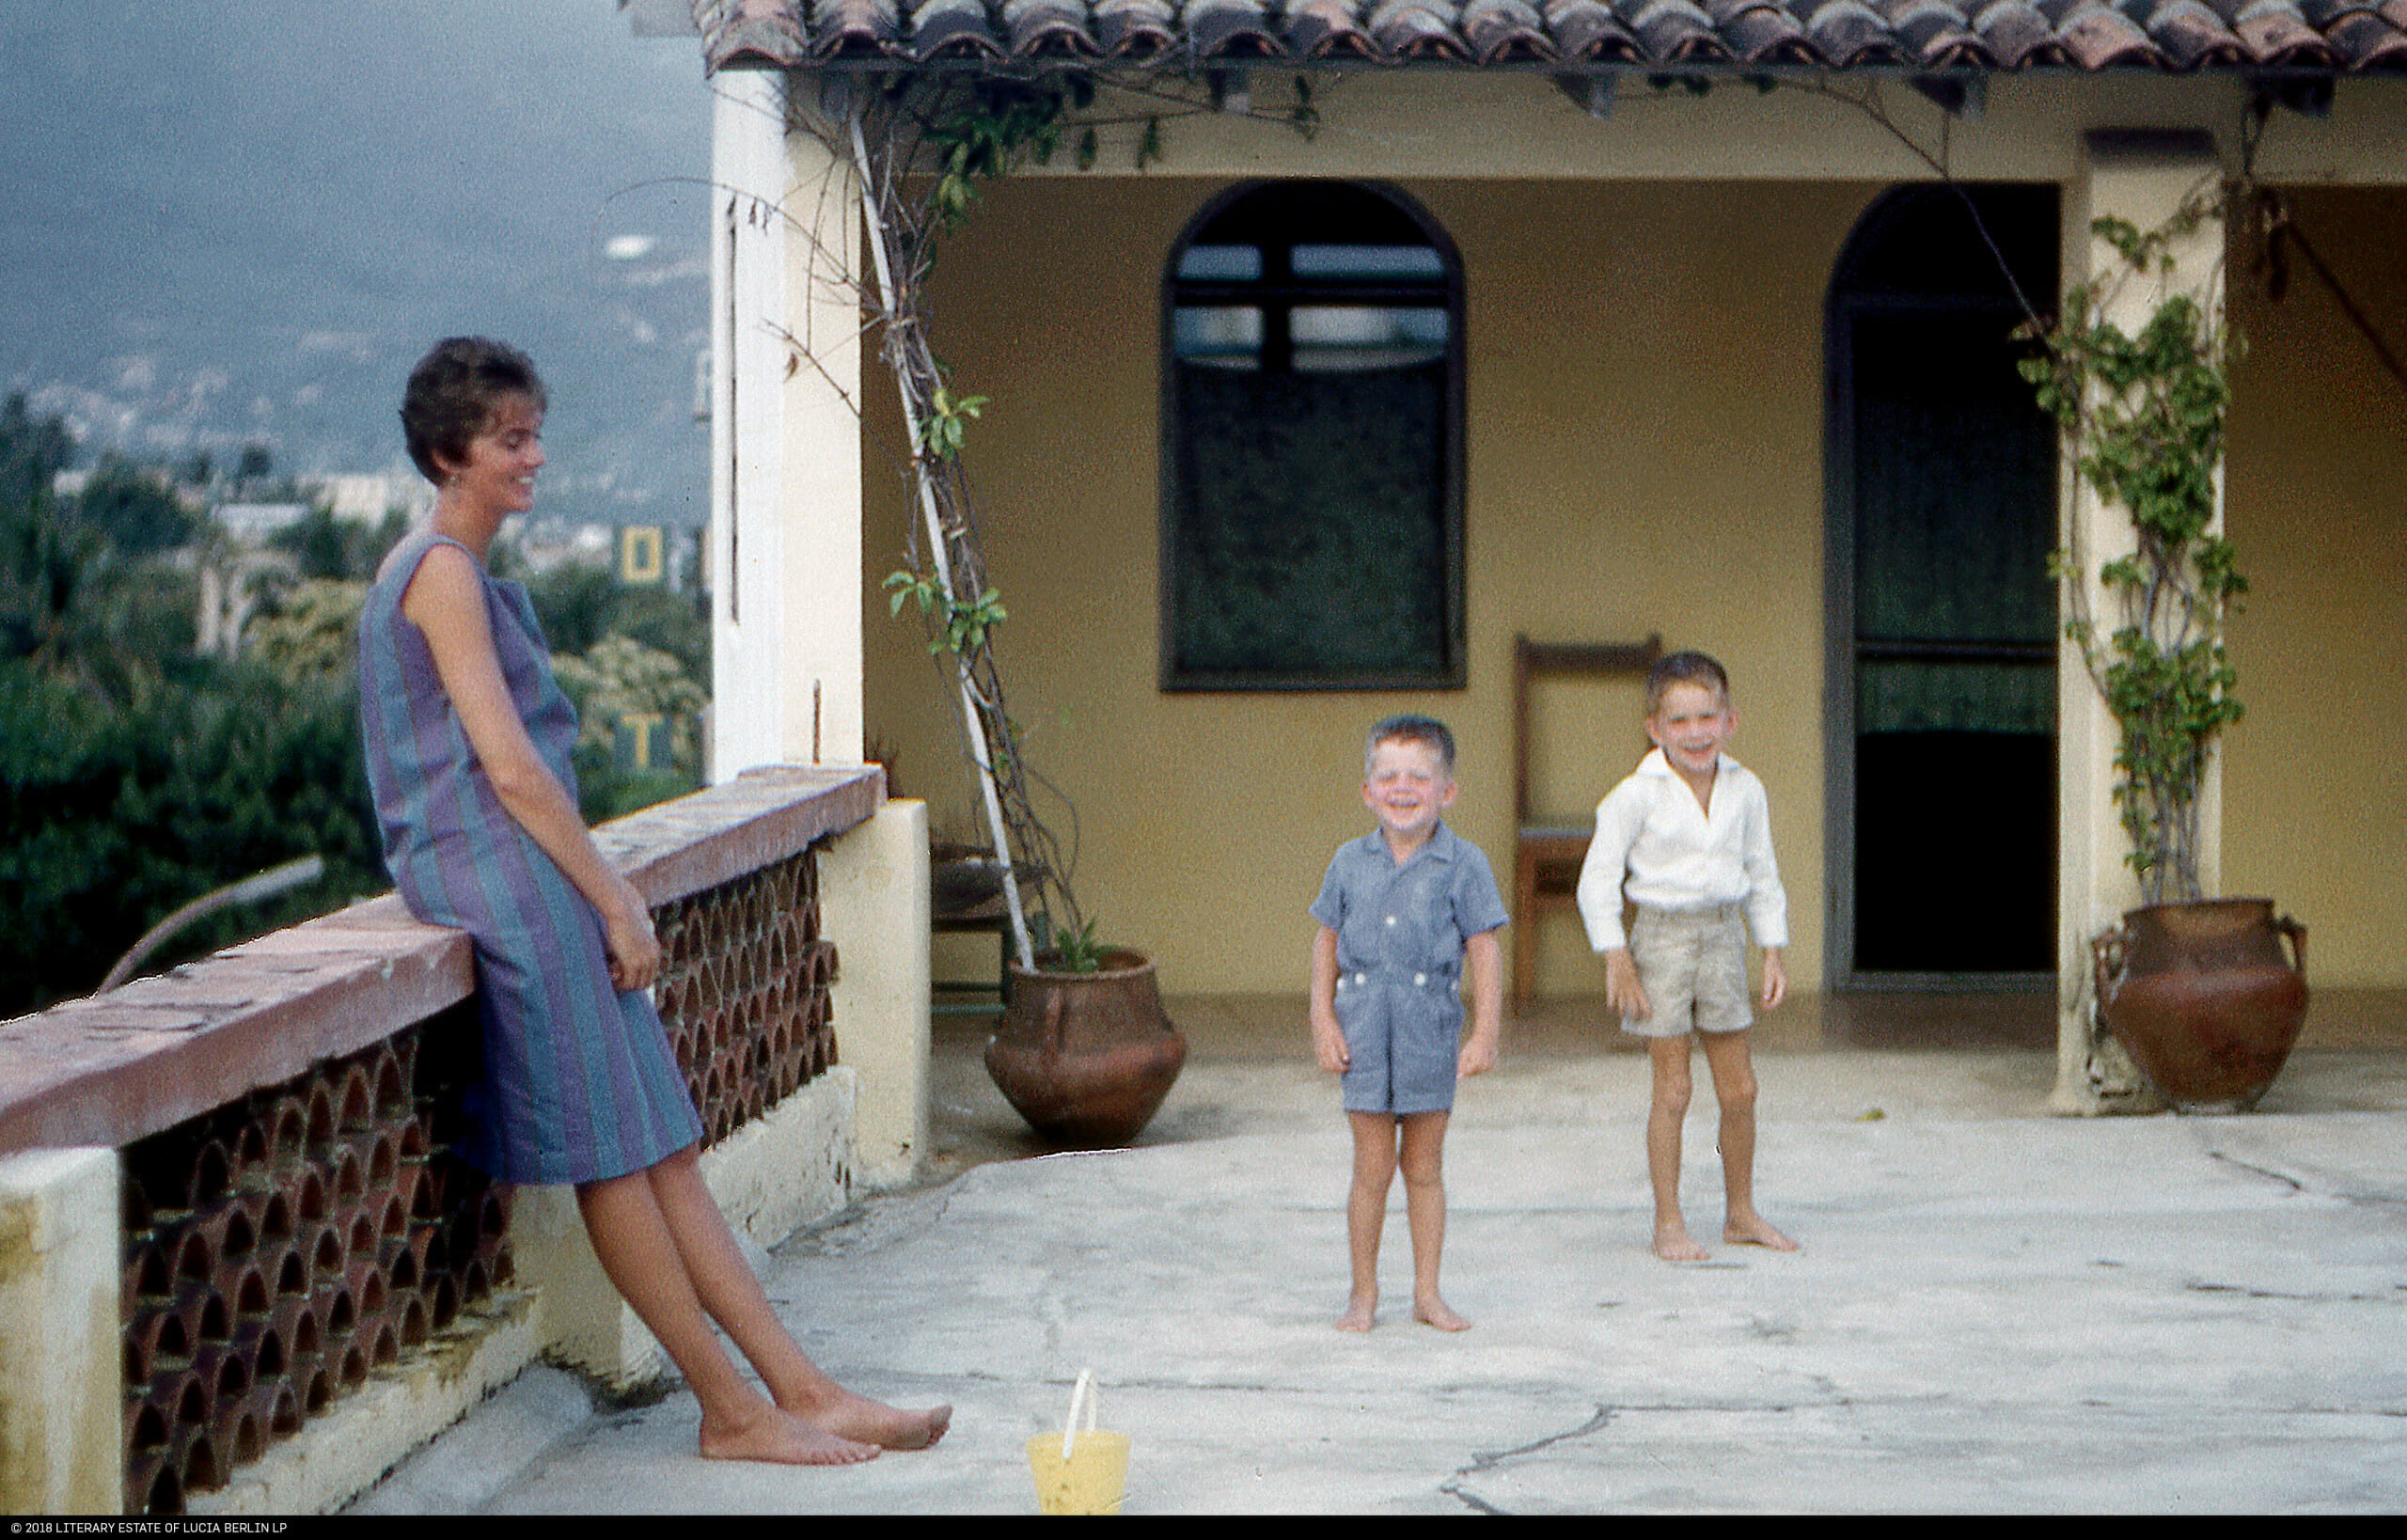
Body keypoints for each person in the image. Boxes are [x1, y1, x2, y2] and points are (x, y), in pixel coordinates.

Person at [358, 338, 949, 1466]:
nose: (534, 457)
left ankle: (801, 1388)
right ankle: (730, 1414)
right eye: (509, 440)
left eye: (535, 433)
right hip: (511, 890)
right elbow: (512, 769)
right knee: (618, 1163)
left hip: (525, 881)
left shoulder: (452, 572)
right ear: (447, 455)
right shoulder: (437, 571)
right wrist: (617, 901)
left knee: (664, 1147)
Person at [1575, 651, 1800, 1264]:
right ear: (1654, 727)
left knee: (1741, 1090)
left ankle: (1740, 1212)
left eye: (1708, 716)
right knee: (1673, 1090)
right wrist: (1617, 957)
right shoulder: (1632, 795)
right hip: (1662, 943)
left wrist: (1771, 950)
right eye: (1679, 721)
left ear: (1730, 720)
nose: (1695, 732)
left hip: (1724, 939)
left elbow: (1762, 872)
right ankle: (1668, 1222)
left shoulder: (1745, 788)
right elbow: (1597, 881)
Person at [1309, 715, 1507, 1331]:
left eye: (1419, 777)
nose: (1403, 788)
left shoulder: (1463, 864)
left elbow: (1484, 948)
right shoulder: (1348, 862)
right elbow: (1326, 941)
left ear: (1446, 791)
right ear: (1368, 791)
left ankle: (1427, 1293)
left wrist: (1485, 1032)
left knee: (1423, 1166)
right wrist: (1322, 1018)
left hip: (1430, 1031)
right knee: (1371, 1167)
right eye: (1388, 776)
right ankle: (1362, 1294)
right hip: (1363, 1030)